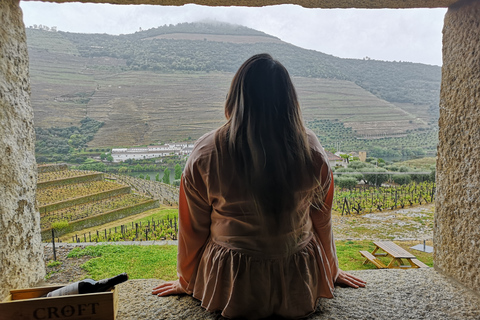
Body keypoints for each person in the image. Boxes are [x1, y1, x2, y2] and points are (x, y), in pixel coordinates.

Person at [152, 53, 366, 319]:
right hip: (298, 276)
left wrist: (186, 280)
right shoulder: (311, 150)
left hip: (233, 280)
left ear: (235, 97)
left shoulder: (206, 153)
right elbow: (321, 219)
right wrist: (331, 271)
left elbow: (191, 228)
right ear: (289, 100)